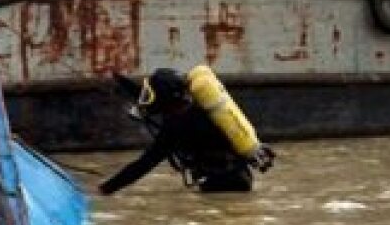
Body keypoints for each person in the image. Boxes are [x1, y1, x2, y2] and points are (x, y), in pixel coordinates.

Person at [99, 69, 275, 195]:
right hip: (237, 179)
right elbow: (152, 99)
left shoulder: (177, 126)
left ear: (165, 98)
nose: (146, 98)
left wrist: (106, 189)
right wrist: (119, 79)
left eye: (150, 94)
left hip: (220, 185)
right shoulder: (192, 109)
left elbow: (144, 164)